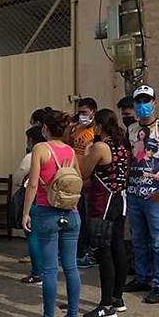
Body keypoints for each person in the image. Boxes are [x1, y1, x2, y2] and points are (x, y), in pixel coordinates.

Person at [22, 110, 82, 317]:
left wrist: (26, 212)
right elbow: (78, 180)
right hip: (71, 213)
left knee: (49, 269)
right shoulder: (70, 151)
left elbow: (33, 184)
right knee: (71, 267)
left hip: (48, 212)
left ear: (45, 129)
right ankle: (73, 316)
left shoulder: (40, 148)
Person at [123, 85, 159, 305]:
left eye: (146, 101)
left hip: (154, 195)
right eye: (138, 101)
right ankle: (143, 277)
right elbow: (132, 159)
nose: (142, 105)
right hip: (135, 193)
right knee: (139, 240)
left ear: (154, 103)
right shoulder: (132, 129)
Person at [80, 109, 131, 317]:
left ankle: (106, 304)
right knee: (118, 248)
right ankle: (118, 298)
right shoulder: (122, 145)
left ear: (98, 126)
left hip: (104, 204)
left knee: (104, 253)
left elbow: (83, 172)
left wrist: (87, 149)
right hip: (120, 201)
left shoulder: (101, 147)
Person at [68, 98, 97, 268]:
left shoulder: (94, 132)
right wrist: (70, 128)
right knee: (78, 216)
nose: (82, 115)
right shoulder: (77, 129)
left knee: (90, 217)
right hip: (75, 177)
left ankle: (89, 250)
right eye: (80, 112)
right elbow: (67, 144)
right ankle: (79, 250)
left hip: (88, 179)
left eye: (84, 112)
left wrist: (88, 178)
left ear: (93, 112)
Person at [16, 126, 47, 283]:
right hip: (50, 201)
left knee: (33, 237)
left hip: (34, 201)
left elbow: (19, 176)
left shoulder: (33, 155)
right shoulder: (57, 152)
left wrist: (25, 212)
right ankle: (48, 270)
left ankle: (37, 272)